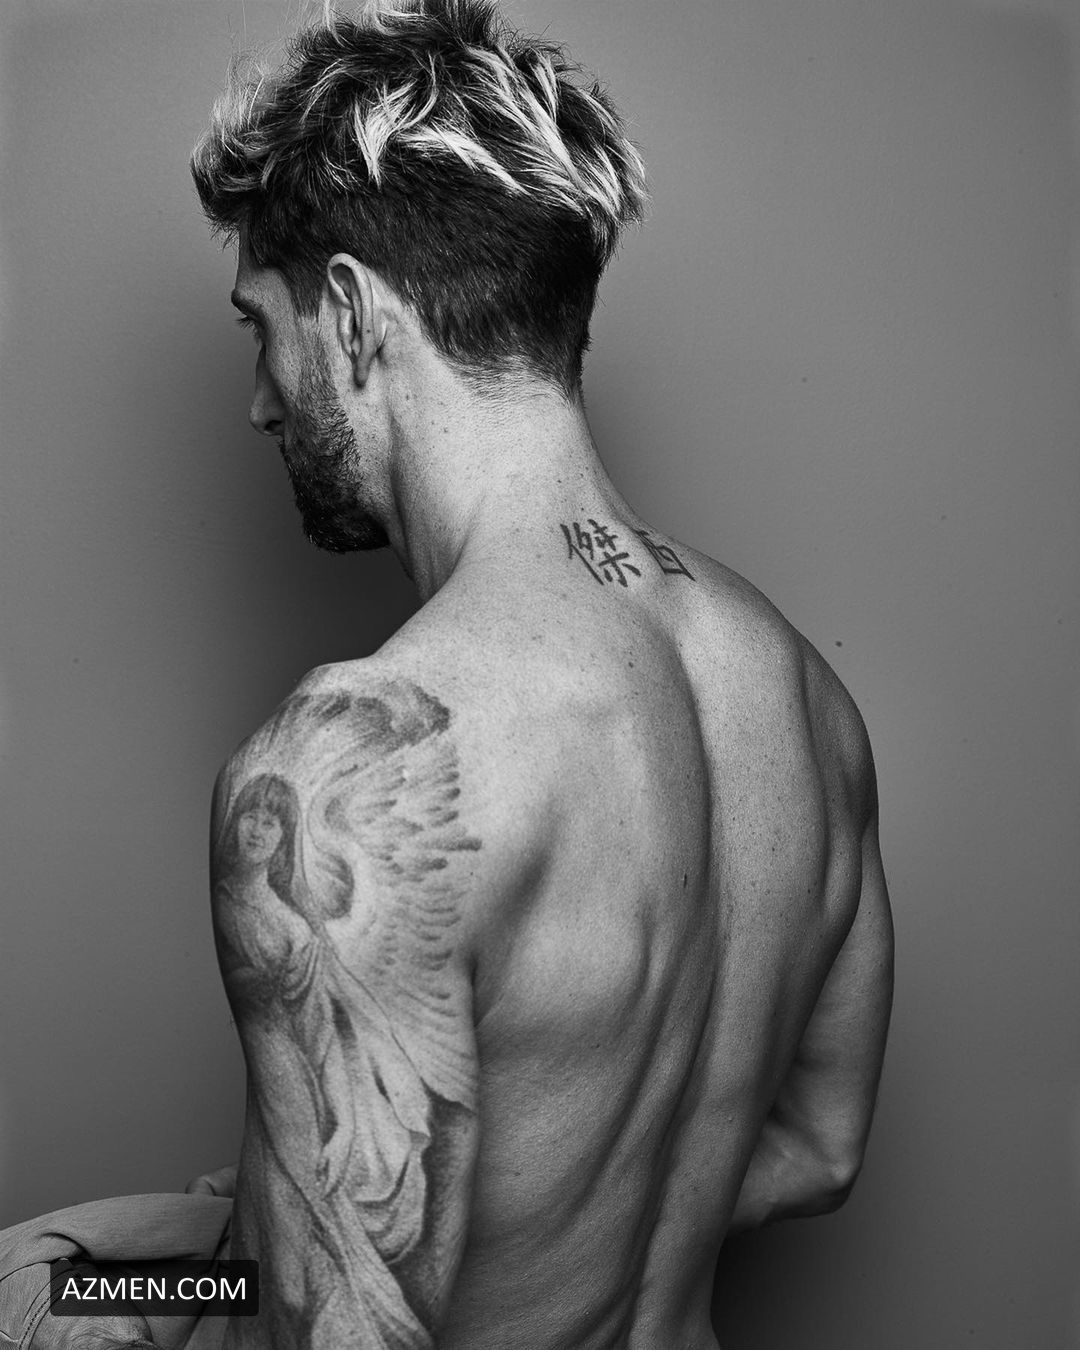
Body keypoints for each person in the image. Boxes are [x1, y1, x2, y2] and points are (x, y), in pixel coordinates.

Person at [184, 1, 895, 1346]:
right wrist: (218, 1250)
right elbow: (818, 1148)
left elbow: (333, 1327)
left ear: (352, 313)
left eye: (258, 327)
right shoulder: (803, 695)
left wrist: (103, 1295)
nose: (261, 399)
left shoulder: (346, 770)